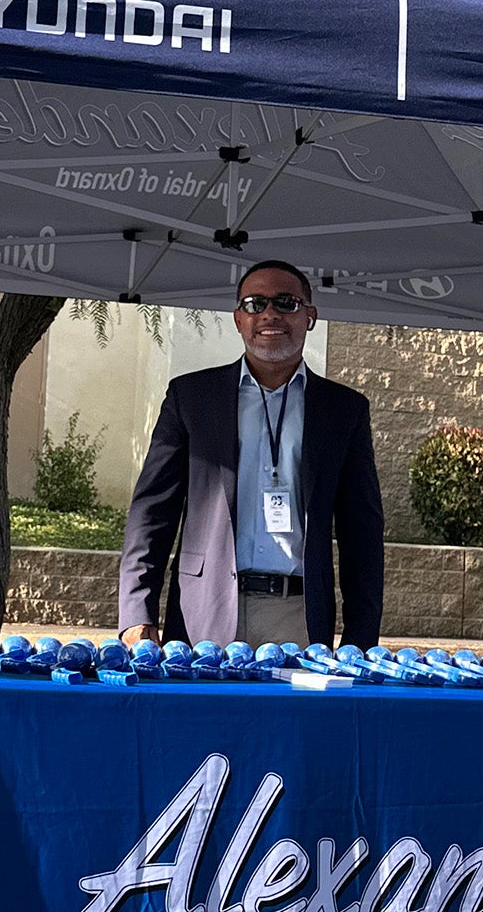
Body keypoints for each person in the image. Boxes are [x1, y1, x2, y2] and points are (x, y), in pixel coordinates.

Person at [119, 259, 384, 653]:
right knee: (201, 717)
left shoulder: (343, 410)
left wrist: (360, 637)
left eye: (286, 303)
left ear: (310, 317)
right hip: (203, 612)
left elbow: (361, 531)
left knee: (293, 718)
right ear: (238, 319)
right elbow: (151, 513)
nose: (270, 314)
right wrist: (136, 613)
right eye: (255, 304)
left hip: (300, 617)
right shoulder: (191, 398)